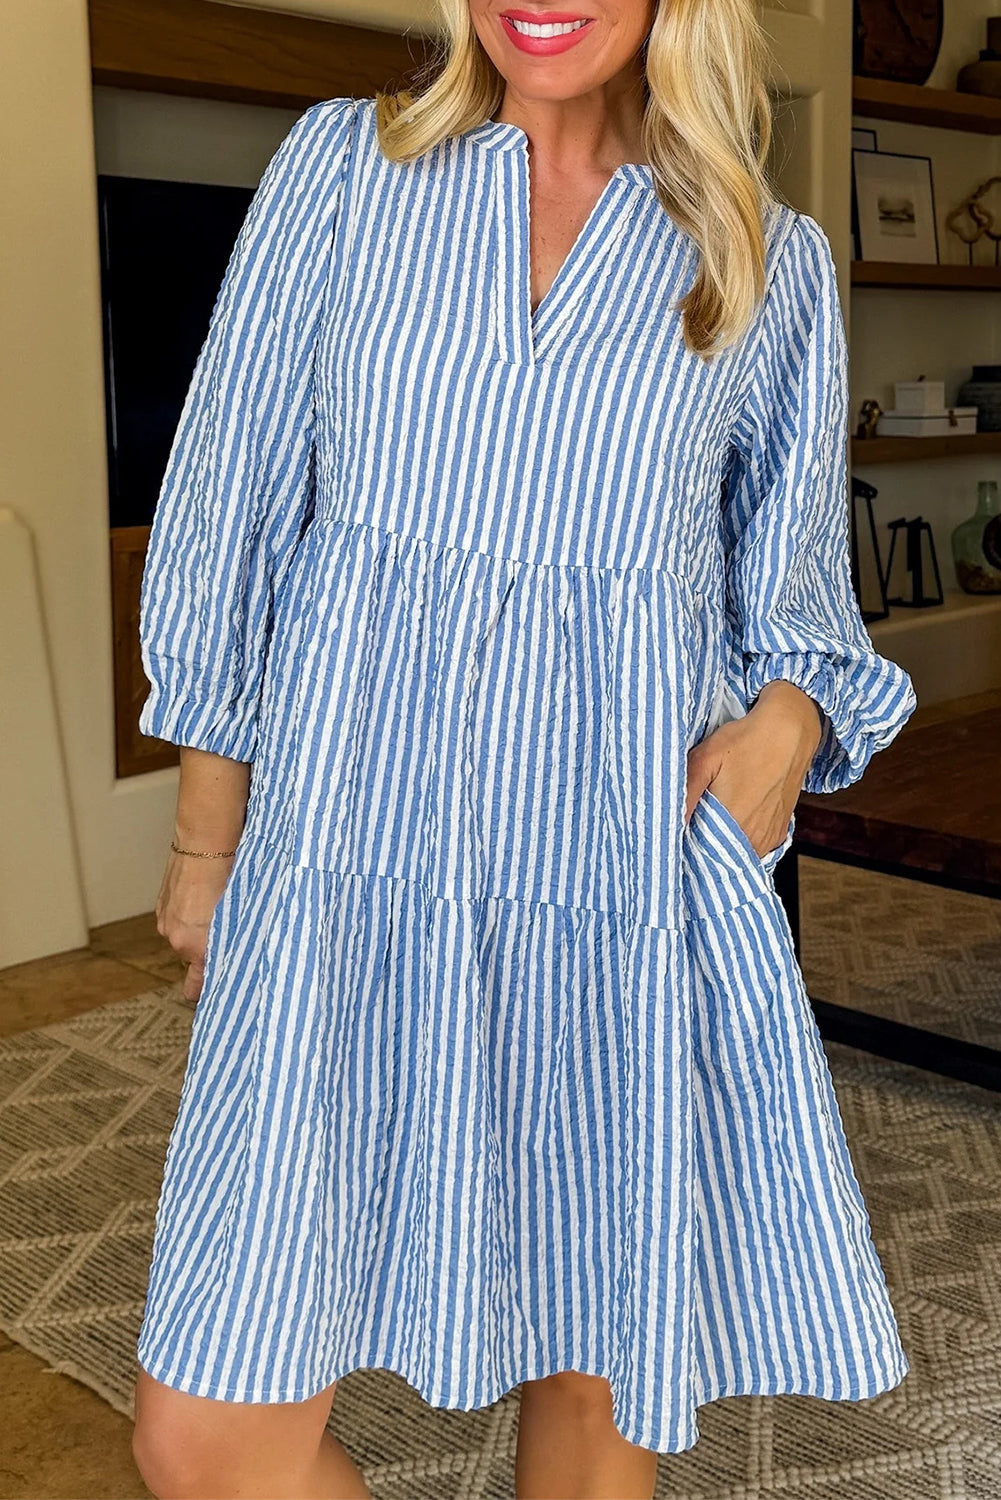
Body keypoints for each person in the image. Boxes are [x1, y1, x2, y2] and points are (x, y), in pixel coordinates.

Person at [129, 1, 917, 1496]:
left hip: (615, 882)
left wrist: (788, 724)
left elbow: (801, 600)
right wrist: (203, 841)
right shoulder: (341, 173)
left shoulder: (765, 256)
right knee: (206, 1435)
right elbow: (231, 511)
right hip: (348, 863)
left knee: (591, 1358)